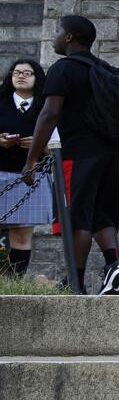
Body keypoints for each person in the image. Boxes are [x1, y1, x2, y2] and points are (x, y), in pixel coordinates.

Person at [22, 16, 119, 295]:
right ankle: (114, 266)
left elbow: (50, 114)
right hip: (111, 152)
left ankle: (75, 283)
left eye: (58, 31)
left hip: (78, 154)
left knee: (77, 217)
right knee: (102, 214)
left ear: (69, 37)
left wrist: (32, 158)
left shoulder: (63, 69)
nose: (55, 36)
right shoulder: (105, 69)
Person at [0, 58, 52, 277]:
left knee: (22, 235)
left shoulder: (47, 107)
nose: (20, 76)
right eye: (16, 72)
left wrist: (41, 145)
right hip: (1, 171)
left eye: (27, 73)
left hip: (32, 176)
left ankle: (13, 283)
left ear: (36, 78)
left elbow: (59, 144)